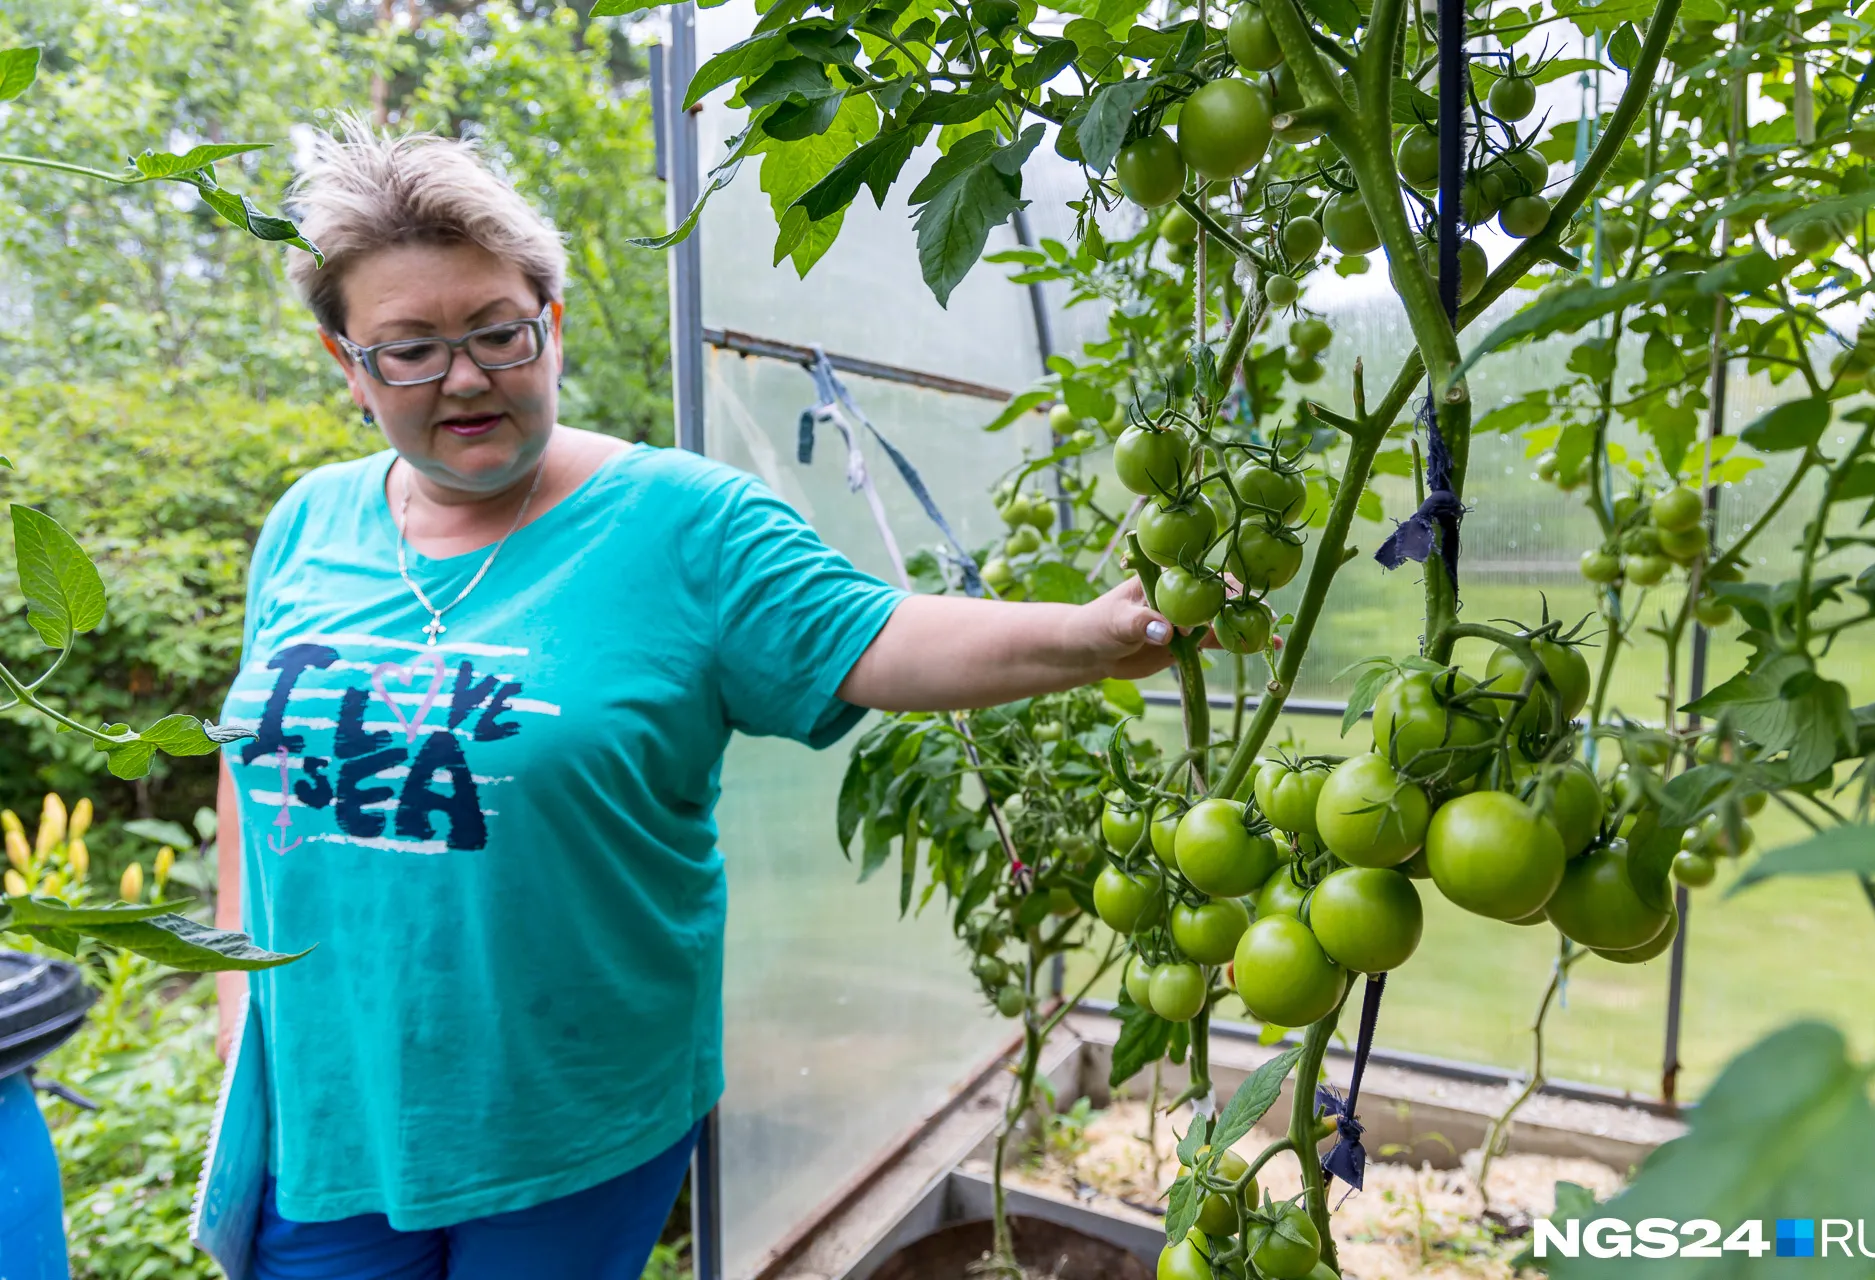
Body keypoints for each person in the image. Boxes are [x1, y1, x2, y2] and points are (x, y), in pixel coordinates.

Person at [214, 120, 1189, 1279]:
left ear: (553, 325)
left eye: (496, 332)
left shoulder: (683, 524)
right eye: (410, 347)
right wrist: (241, 1033)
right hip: (328, 1110)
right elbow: (250, 779)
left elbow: (878, 633)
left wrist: (1089, 634)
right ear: (348, 364)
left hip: (568, 1121)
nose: (465, 376)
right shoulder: (306, 524)